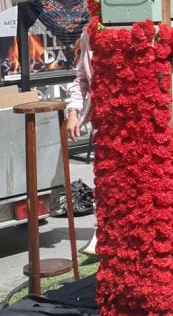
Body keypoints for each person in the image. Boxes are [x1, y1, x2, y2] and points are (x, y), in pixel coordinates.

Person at [64, 29, 97, 256]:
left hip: (135, 121)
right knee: (106, 180)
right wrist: (73, 112)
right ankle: (102, 231)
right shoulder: (88, 36)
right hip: (102, 121)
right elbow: (81, 80)